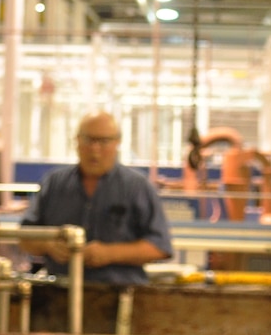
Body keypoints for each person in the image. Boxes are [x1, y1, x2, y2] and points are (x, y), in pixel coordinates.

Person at [21, 111, 172, 286]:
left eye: (104, 141)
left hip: (120, 295)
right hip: (59, 294)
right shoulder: (54, 184)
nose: (95, 149)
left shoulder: (137, 187)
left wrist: (110, 253)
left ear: (117, 143)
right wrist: (48, 245)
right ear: (76, 141)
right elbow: (25, 236)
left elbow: (160, 247)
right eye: (88, 140)